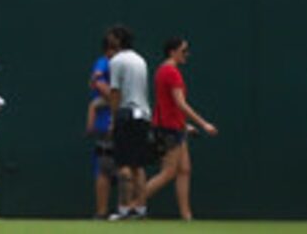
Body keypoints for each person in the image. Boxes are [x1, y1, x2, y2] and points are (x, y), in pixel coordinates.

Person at [124, 37, 216, 219]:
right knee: (168, 172)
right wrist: (203, 123)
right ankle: (132, 206)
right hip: (170, 129)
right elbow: (180, 104)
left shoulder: (163, 71)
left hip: (175, 127)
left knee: (184, 170)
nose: (186, 55)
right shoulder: (171, 72)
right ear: (172, 52)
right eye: (183, 51)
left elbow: (167, 105)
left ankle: (186, 215)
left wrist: (185, 126)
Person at [100, 27, 152, 215]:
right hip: (143, 114)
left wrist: (113, 119)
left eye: (112, 37)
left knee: (124, 165)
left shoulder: (117, 61)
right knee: (138, 165)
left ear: (119, 40)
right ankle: (140, 208)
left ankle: (123, 209)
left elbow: (115, 92)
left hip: (126, 114)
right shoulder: (140, 60)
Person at [86, 32, 118, 220]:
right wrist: (115, 100)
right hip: (106, 123)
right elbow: (97, 82)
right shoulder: (104, 63)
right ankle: (102, 211)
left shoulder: (115, 64)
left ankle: (125, 209)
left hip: (112, 121)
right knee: (104, 169)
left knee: (119, 168)